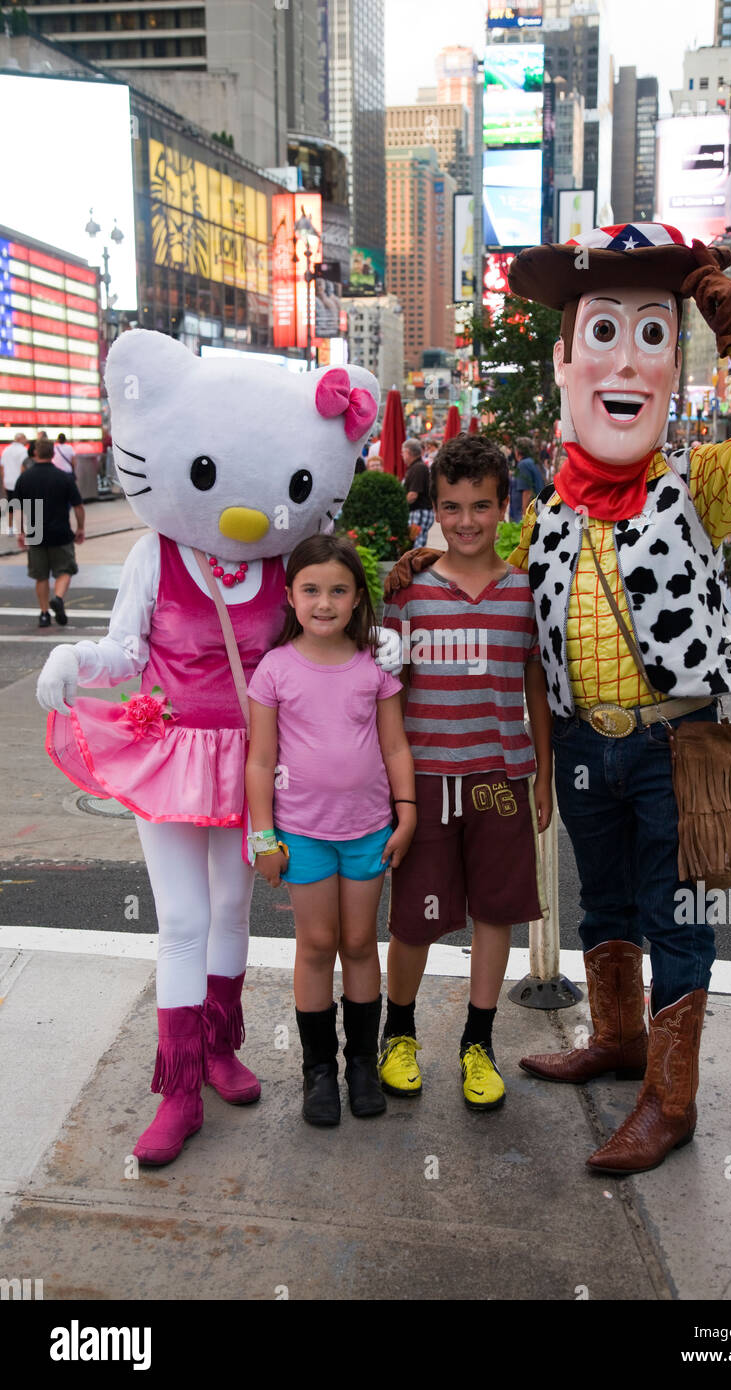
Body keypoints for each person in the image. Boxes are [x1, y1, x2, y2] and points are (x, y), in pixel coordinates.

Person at [36, 333, 398, 1167]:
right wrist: (76, 660)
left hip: (248, 763)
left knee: (234, 910)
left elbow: (314, 647)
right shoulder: (153, 554)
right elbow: (125, 652)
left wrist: (391, 647)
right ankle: (177, 1086)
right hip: (165, 752)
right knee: (185, 920)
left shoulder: (284, 565)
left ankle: (222, 1047)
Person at [499, 222, 731, 1174]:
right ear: (564, 361)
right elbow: (501, 590)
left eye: (652, 334)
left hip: (675, 749)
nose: (624, 360)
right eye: (602, 333)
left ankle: (671, 1102)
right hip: (587, 748)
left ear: (675, 362)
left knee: (676, 917)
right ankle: (620, 1042)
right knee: (606, 909)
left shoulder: (699, 484)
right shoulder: (549, 512)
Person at [380, 433, 553, 1111]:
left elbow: (535, 683)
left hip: (501, 779)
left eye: (481, 505)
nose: (467, 521)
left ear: (505, 504)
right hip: (424, 781)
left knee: (495, 913)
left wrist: (541, 769)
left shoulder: (525, 593)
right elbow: (387, 692)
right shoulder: (410, 591)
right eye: (452, 507)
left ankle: (478, 1044)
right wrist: (393, 789)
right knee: (415, 920)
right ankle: (399, 1033)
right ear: (435, 508)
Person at [246, 535, 415, 1127]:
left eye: (338, 590)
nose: (324, 602)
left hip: (368, 830)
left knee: (360, 944)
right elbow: (260, 761)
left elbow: (394, 744)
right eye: (311, 590)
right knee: (316, 945)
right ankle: (318, 1072)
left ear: (356, 598)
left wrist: (408, 809)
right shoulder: (274, 669)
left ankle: (361, 1065)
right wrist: (262, 838)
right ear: (290, 596)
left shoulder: (375, 666)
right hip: (301, 834)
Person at [14, 437, 85, 627]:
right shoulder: (63, 477)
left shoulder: (24, 478)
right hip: (60, 530)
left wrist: (20, 532)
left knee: (41, 576)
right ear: (53, 454)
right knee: (66, 570)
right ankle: (59, 598)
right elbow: (78, 506)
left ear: (35, 453)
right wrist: (80, 528)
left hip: (35, 530)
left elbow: (16, 508)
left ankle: (44, 614)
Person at [402, 438, 434, 548]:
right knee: (416, 545)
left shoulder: (418, 468)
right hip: (420, 511)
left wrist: (399, 506)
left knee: (416, 547)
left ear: (408, 452)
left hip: (419, 511)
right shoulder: (417, 467)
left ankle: (415, 566)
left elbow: (413, 495)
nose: (402, 455)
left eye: (403, 452)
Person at [508, 436, 546, 520]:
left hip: (525, 515)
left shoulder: (523, 464)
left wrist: (524, 514)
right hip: (538, 510)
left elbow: (526, 491)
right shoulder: (534, 462)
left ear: (517, 451)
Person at [1, 432, 29, 498]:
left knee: (11, 505)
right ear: (21, 439)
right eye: (25, 438)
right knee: (22, 506)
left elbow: (2, 468)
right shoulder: (24, 450)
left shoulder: (6, 450)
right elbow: (24, 467)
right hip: (19, 484)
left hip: (8, 483)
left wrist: (3, 483)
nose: (27, 440)